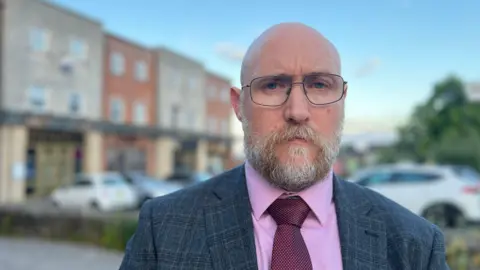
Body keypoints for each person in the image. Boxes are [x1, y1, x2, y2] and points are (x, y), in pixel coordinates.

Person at [119, 22, 450, 270]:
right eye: (273, 85)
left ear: (343, 101)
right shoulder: (164, 230)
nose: (297, 112)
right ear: (238, 104)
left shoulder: (414, 245)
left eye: (320, 85)